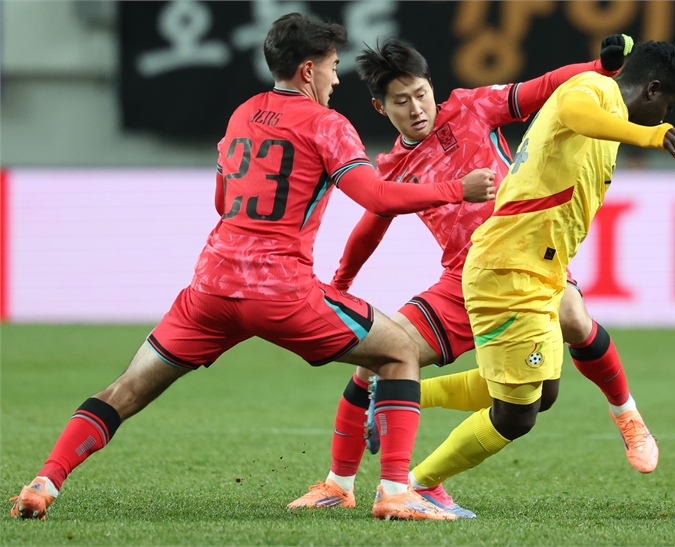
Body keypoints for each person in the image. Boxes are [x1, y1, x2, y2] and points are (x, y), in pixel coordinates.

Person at [8, 13, 497, 522]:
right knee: (398, 350)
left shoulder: (243, 114)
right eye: (332, 67)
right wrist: (456, 189)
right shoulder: (327, 125)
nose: (336, 80)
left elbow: (223, 199)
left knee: (125, 389)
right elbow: (374, 196)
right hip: (281, 291)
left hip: (210, 290)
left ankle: (45, 481)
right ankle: (395, 491)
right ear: (308, 70)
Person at [288, 35, 667, 517]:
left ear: (432, 86)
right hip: (461, 282)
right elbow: (369, 228)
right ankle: (339, 484)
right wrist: (341, 284)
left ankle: (627, 415)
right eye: (401, 102)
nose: (416, 108)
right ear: (380, 108)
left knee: (558, 358)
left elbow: (543, 87)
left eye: (421, 94)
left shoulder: (472, 108)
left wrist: (600, 66)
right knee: (378, 355)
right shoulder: (394, 166)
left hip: (528, 261)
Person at [406, 40, 675, 504]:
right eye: (668, 107)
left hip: (540, 271)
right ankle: (419, 485)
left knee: (542, 393)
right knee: (516, 415)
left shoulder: (608, 120)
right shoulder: (593, 90)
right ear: (653, 89)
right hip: (509, 267)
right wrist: (647, 136)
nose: (663, 117)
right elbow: (576, 112)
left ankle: (401, 393)